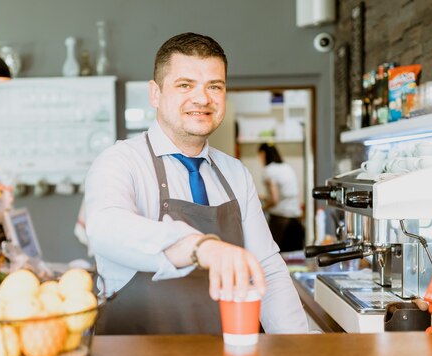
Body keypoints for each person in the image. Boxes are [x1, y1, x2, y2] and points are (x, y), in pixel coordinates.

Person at [85, 32, 308, 335]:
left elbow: (266, 269)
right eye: (185, 85)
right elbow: (105, 228)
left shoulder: (235, 173)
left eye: (214, 86)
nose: (202, 99)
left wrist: (299, 345)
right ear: (155, 93)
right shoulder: (121, 161)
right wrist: (200, 246)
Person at [257, 143, 305, 252]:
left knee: (278, 257)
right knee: (295, 258)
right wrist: (265, 197)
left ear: (263, 154)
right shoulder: (286, 167)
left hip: (281, 222)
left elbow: (274, 199)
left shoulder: (268, 170)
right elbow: (285, 193)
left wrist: (261, 209)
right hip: (296, 220)